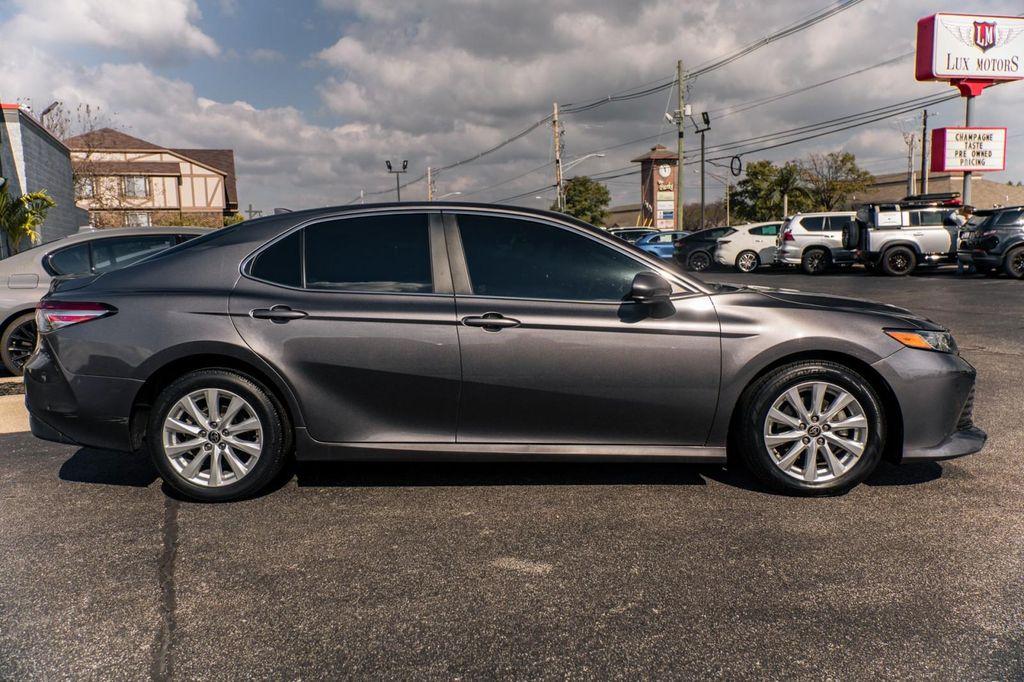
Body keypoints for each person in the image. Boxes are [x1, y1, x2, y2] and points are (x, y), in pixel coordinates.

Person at [954, 205, 974, 275]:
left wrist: (958, 211)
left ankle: (965, 269)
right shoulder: (971, 217)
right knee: (965, 254)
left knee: (965, 254)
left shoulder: (961, 217)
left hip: (965, 238)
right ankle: (966, 269)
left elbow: (952, 216)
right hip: (966, 238)